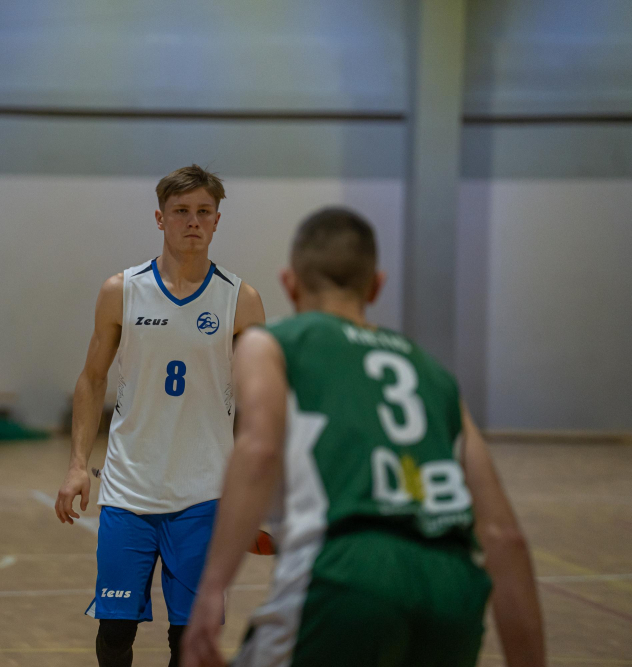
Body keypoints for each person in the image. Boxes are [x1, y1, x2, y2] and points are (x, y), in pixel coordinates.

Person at [182, 207, 545, 667]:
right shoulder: (433, 375)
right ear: (376, 285)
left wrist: (212, 588)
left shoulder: (272, 342)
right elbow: (504, 536)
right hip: (453, 590)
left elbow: (259, 451)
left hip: (347, 572)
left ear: (290, 283)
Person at [54, 165, 266, 667]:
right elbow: (92, 379)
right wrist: (78, 465)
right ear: (159, 218)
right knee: (115, 631)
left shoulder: (242, 301)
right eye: (181, 211)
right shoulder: (121, 290)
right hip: (129, 489)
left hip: (205, 493)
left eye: (204, 212)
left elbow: (262, 401)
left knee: (190, 639)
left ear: (217, 221)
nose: (193, 221)